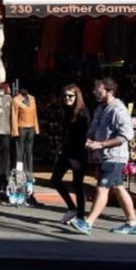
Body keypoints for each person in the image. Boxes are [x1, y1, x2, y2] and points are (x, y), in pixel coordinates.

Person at [67, 77, 136, 236]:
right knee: (119, 188)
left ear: (110, 91)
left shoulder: (118, 110)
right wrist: (90, 140)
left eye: (99, 91)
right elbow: (93, 130)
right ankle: (133, 223)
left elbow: (127, 135)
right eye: (95, 91)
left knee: (102, 189)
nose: (96, 94)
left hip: (115, 157)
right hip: (103, 156)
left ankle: (88, 223)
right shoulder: (100, 108)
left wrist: (101, 144)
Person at [50, 84, 89, 224]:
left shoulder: (83, 113)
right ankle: (72, 208)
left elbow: (82, 137)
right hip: (66, 152)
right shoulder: (67, 111)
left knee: (77, 185)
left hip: (78, 154)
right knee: (55, 180)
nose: (67, 98)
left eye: (71, 96)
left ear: (77, 97)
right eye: (65, 96)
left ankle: (81, 216)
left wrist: (75, 158)